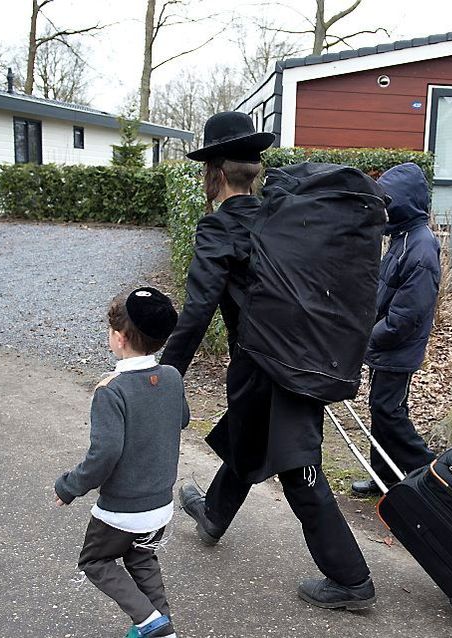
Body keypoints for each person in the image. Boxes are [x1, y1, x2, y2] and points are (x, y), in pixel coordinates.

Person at [161, 111, 376, 610]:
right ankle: (213, 513)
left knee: (297, 466)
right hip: (299, 358)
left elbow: (196, 312)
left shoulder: (219, 229)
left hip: (267, 366)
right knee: (248, 431)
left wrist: (165, 375)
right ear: (255, 170)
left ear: (213, 173)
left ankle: (351, 579)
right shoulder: (280, 221)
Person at [54, 287, 188, 638]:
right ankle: (164, 630)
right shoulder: (172, 376)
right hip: (160, 506)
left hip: (122, 510)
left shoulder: (110, 389)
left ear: (118, 337)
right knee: (142, 558)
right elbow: (182, 418)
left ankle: (148, 621)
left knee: (95, 561)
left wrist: (70, 486)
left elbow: (105, 454)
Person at [351, 162, 441, 497]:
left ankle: (432, 475)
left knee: (389, 412)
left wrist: (366, 340)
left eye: (388, 203)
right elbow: (383, 293)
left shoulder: (420, 247)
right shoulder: (402, 239)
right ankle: (384, 476)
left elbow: (406, 317)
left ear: (404, 203)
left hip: (398, 348)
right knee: (382, 408)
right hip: (386, 346)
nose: (383, 211)